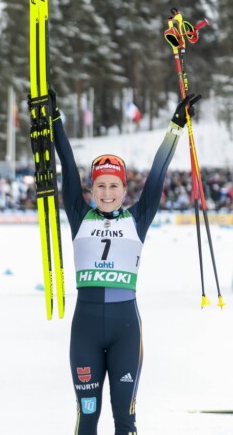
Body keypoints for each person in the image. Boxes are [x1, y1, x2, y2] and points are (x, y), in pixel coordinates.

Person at [51, 89, 200, 434]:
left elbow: (158, 173)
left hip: (126, 331)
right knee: (87, 417)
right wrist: (54, 119)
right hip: (85, 330)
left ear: (123, 188)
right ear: (91, 190)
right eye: (100, 186)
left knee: (125, 420)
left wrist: (176, 126)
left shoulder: (138, 218)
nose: (107, 193)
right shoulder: (79, 215)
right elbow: (67, 164)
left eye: (113, 186)